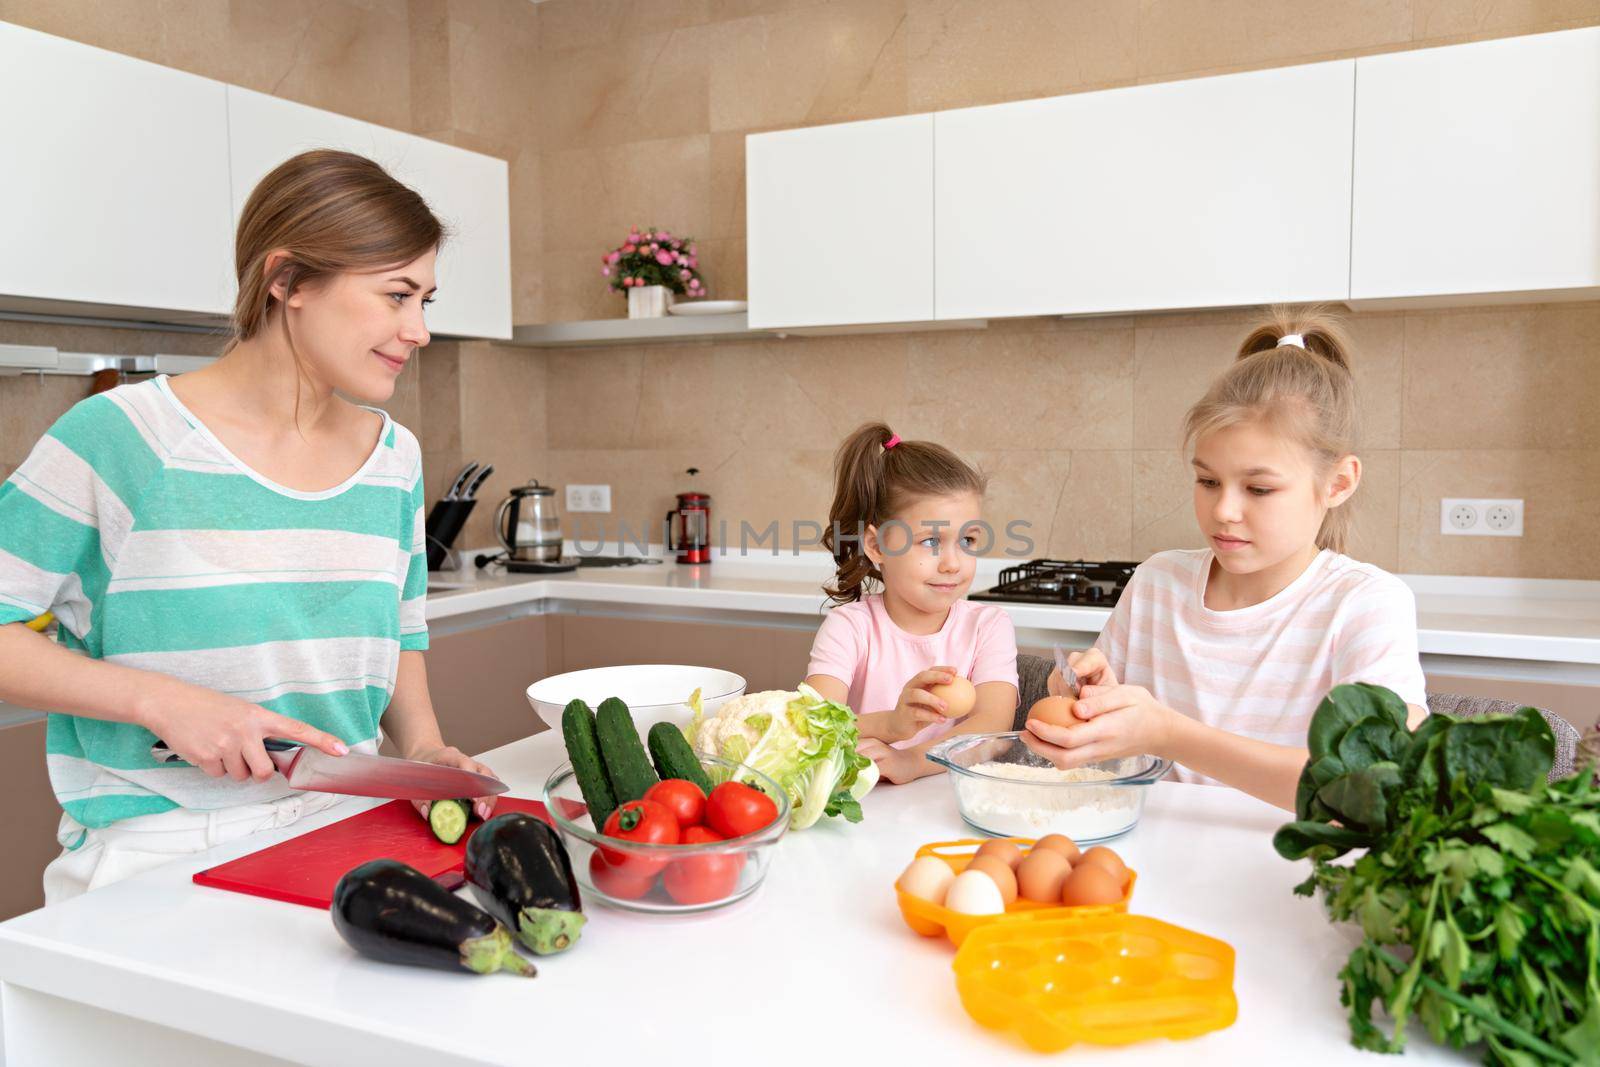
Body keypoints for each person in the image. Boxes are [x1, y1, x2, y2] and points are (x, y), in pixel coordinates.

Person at [0, 150, 497, 902]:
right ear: (288, 280)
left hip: (346, 829)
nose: (418, 329)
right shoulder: (121, 437)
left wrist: (424, 751)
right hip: (158, 857)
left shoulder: (394, 456)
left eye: (425, 299)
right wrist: (159, 700)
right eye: (397, 295)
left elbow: (400, 630)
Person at [1027, 307, 1427, 810]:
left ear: (1338, 483)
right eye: (1208, 481)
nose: (1224, 510)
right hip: (1153, 854)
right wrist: (1088, 698)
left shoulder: (1364, 605)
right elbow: (1113, 746)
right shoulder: (1159, 583)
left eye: (1258, 488)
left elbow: (1369, 788)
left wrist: (1167, 734)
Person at [804, 423, 1018, 784]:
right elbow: (812, 726)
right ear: (876, 547)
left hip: (951, 804)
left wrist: (912, 762)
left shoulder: (987, 626)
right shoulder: (850, 628)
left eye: (967, 540)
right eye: (931, 542)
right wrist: (891, 724)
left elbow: (992, 727)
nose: (953, 562)